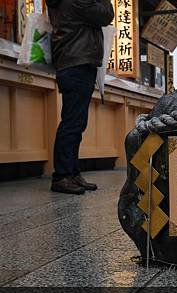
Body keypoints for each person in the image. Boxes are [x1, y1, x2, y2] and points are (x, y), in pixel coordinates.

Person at [46, 0, 114, 194]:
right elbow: (105, 15)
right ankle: (61, 176)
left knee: (76, 122)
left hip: (74, 61)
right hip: (77, 62)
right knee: (72, 123)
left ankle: (72, 173)